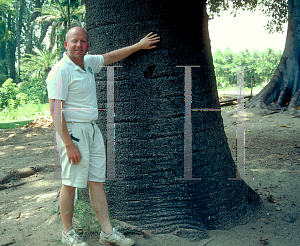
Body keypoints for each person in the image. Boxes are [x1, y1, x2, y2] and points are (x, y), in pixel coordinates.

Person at [46, 26, 160, 246]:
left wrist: (138, 46)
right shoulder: (60, 71)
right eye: (74, 41)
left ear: (88, 45)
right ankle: (67, 233)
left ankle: (107, 233)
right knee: (70, 183)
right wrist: (68, 145)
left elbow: (110, 56)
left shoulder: (88, 63)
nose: (79, 45)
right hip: (73, 132)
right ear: (66, 44)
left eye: (83, 41)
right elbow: (55, 111)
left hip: (92, 129)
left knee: (96, 181)